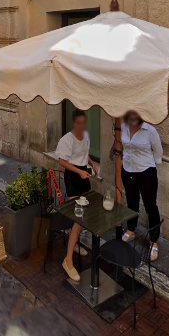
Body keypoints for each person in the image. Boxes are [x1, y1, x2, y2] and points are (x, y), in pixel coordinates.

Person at [116, 110, 163, 262]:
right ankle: (131, 230)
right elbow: (121, 146)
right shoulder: (122, 126)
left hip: (146, 172)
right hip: (128, 170)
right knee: (132, 203)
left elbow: (158, 152)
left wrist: (149, 166)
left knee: (150, 206)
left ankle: (154, 241)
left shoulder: (150, 130)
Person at [56, 109, 97, 282]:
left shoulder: (85, 135)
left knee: (83, 214)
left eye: (84, 123)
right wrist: (79, 172)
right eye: (79, 123)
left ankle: (75, 245)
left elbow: (84, 154)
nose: (82, 126)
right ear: (74, 123)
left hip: (83, 174)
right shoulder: (67, 139)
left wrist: (92, 163)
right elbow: (62, 162)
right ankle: (68, 261)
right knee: (78, 218)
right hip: (73, 177)